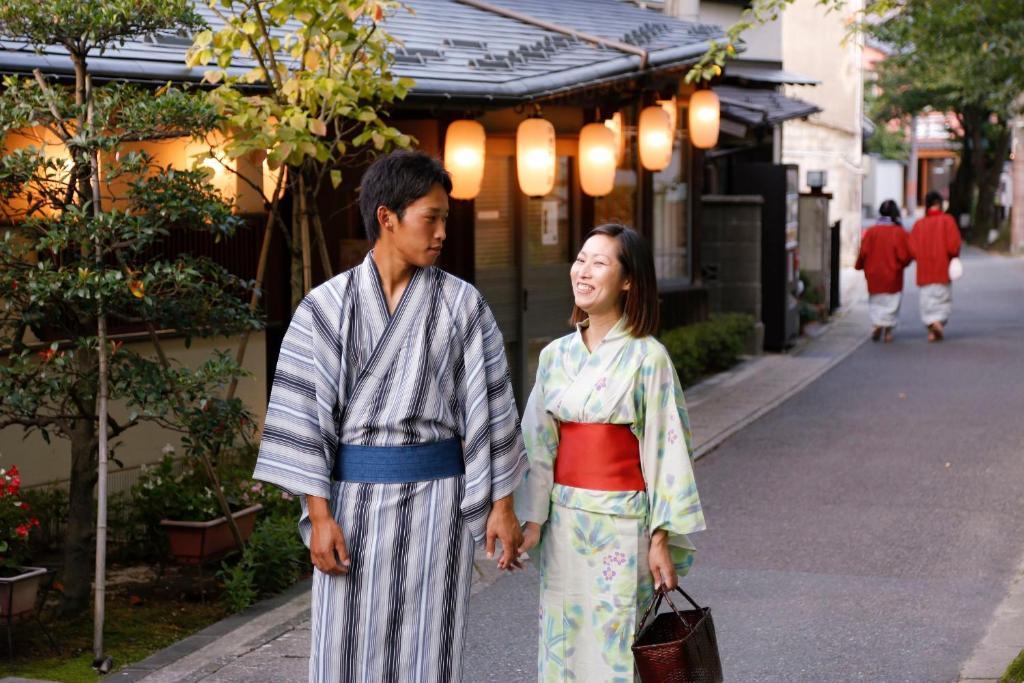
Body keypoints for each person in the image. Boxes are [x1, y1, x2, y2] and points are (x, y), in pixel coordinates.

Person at [252, 150, 527, 682]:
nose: (443, 231)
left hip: (437, 506)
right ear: (387, 216)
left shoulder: (463, 305)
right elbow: (305, 419)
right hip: (351, 507)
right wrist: (320, 516)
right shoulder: (325, 308)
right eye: (432, 217)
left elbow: (491, 411)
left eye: (447, 218)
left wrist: (502, 504)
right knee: (343, 653)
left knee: (430, 650)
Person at [515, 224, 706, 681]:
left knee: (618, 648)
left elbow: (667, 449)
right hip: (565, 521)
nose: (583, 271)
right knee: (562, 644)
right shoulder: (555, 356)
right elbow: (539, 444)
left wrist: (661, 536)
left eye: (599, 262)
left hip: (622, 525)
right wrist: (531, 520)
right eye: (580, 259)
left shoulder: (648, 357)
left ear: (627, 281)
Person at [855, 199, 912, 343]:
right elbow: (905, 255)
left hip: (874, 274)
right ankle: (888, 331)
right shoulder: (898, 232)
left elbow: (863, 252)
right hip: (893, 274)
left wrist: (859, 265)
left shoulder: (871, 232)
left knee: (876, 301)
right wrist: (903, 264)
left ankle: (877, 323)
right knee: (892, 302)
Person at [909, 191, 962, 342]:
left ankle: (932, 326)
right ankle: (938, 323)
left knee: (927, 303)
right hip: (942, 270)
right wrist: (953, 256)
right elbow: (954, 246)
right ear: (940, 204)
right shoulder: (948, 221)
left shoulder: (919, 225)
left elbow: (912, 249)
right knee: (942, 301)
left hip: (924, 272)